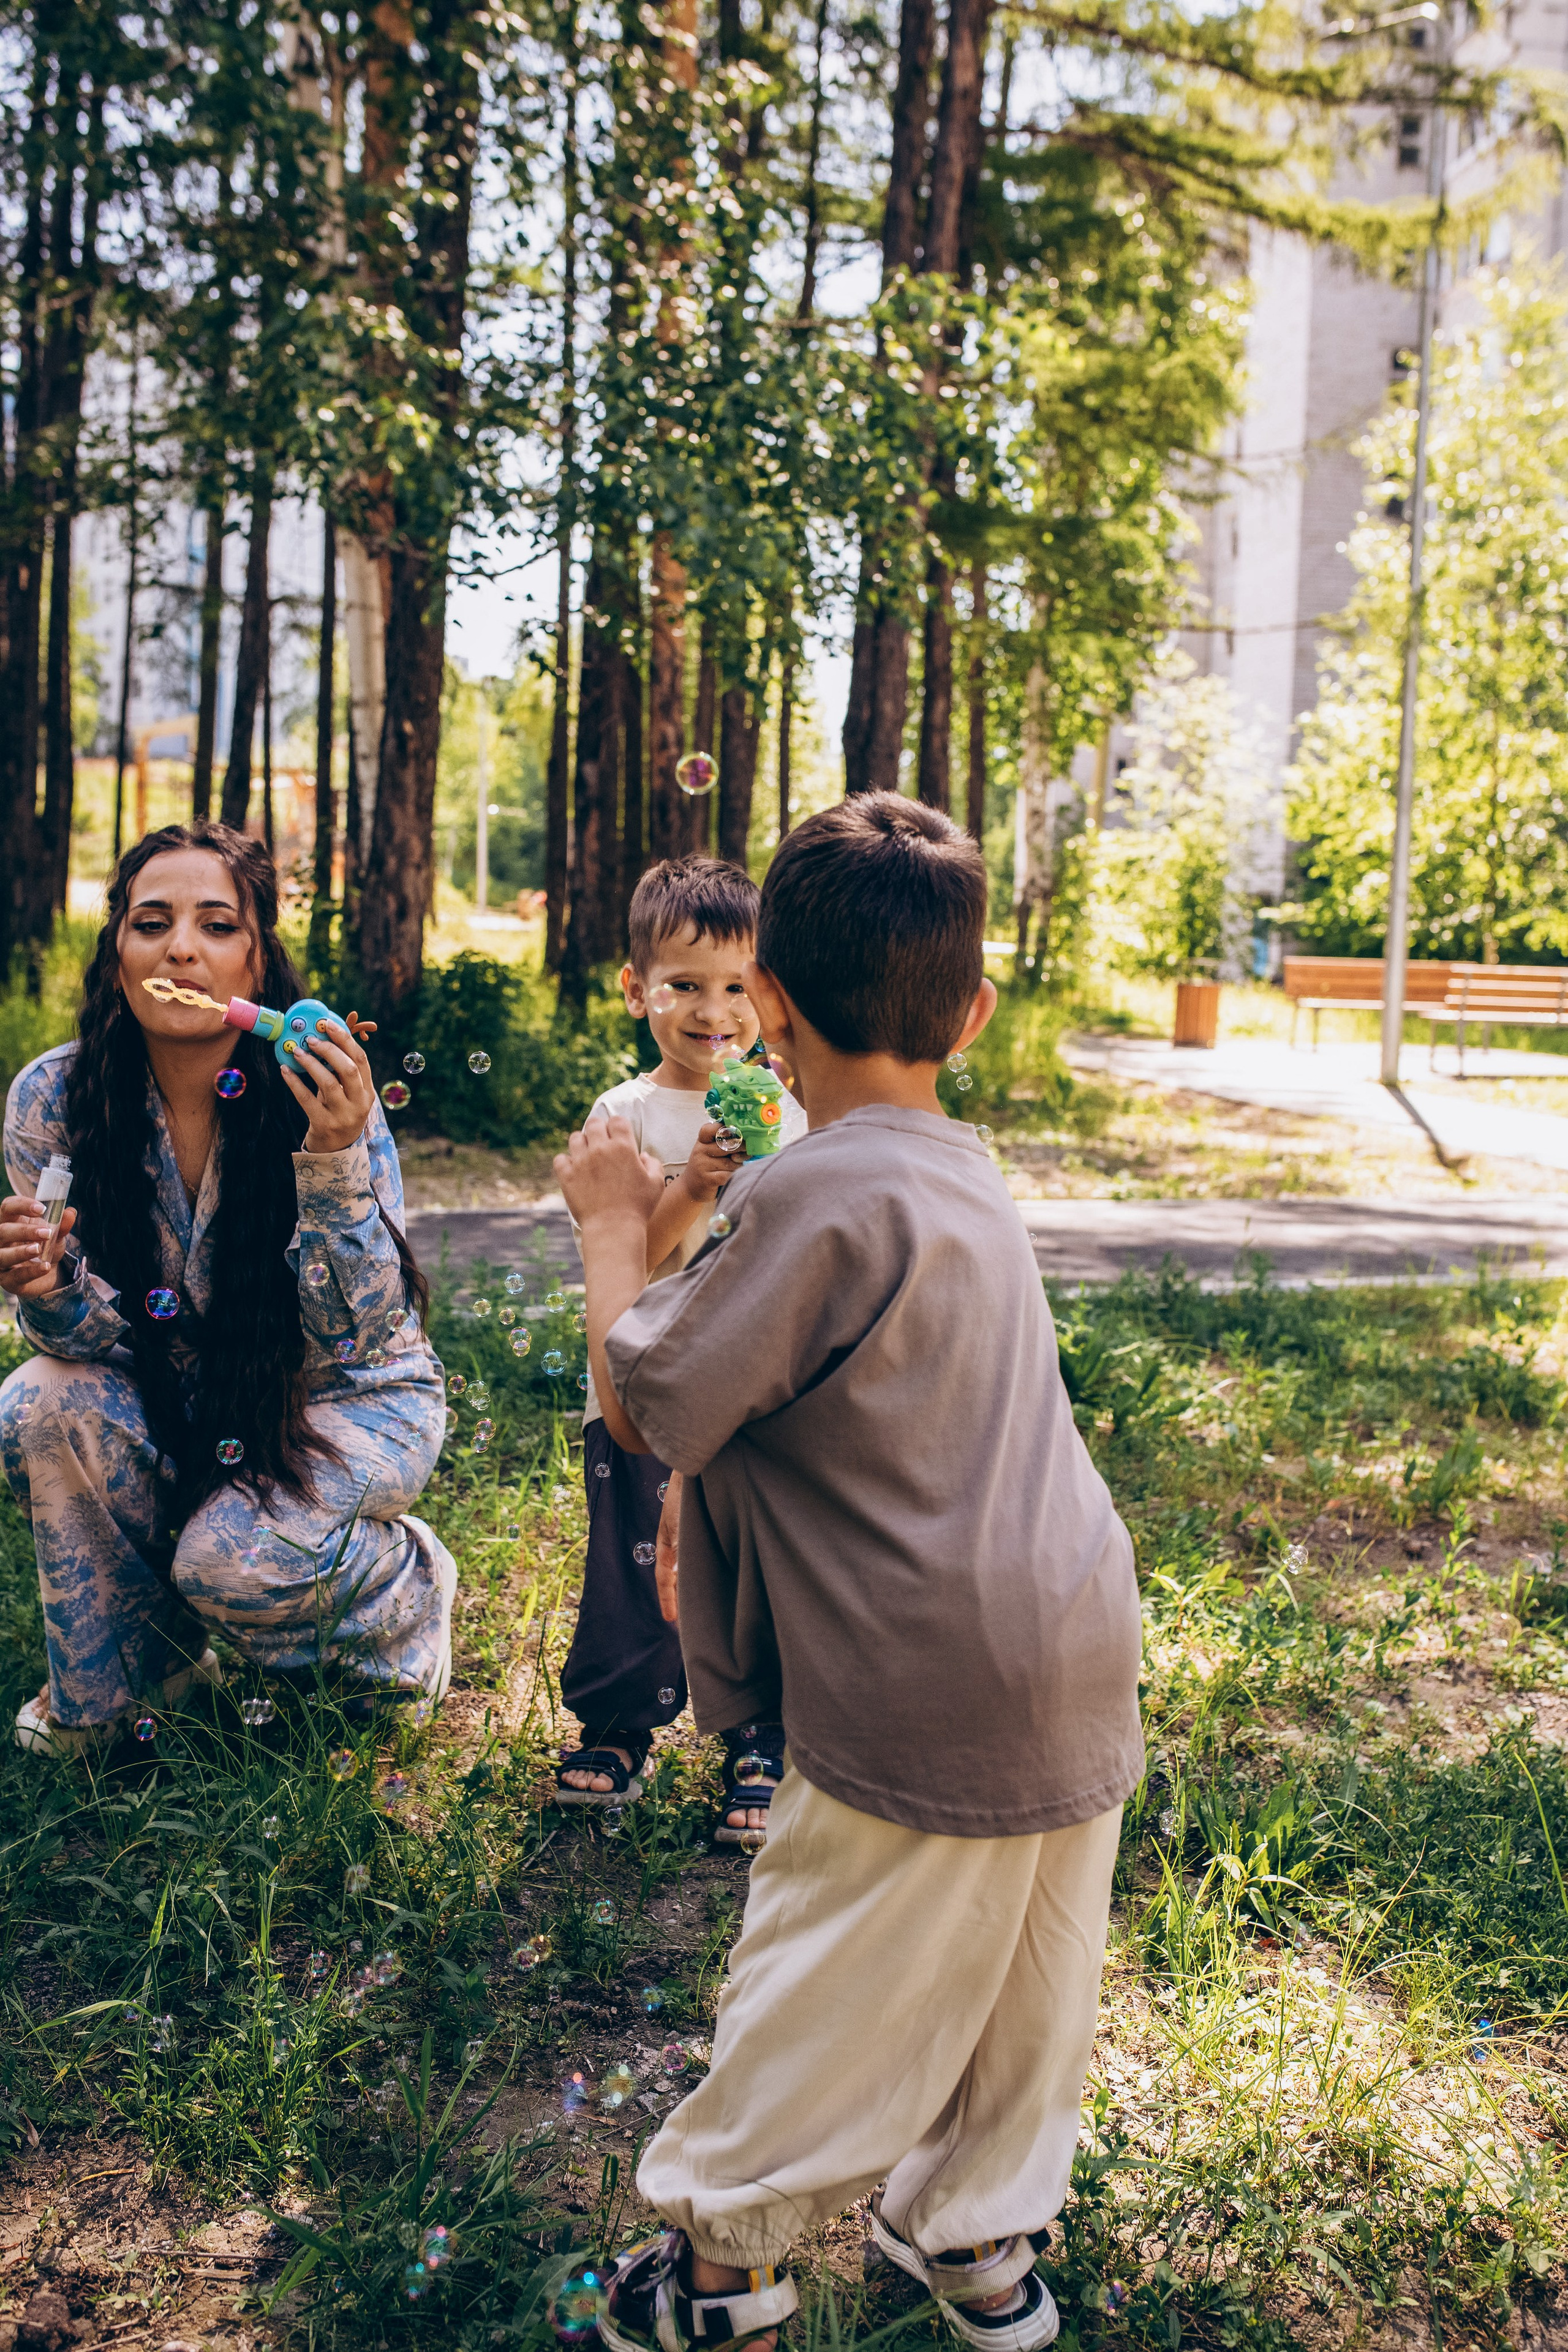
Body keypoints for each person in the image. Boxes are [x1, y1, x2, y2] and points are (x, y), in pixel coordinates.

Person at [554, 794, 1144, 2352]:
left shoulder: (809, 1186)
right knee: (1032, 1979)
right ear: (974, 1012)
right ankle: (978, 2234)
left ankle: (724, 2263)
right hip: (1075, 1639)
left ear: (775, 1013)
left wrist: (616, 1228)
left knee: (820, 1969)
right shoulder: (962, 1167)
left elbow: (653, 1396)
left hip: (919, 1674)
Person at [0, 823, 454, 1755]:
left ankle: (406, 1595)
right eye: (151, 922)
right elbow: (92, 1343)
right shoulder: (55, 1101)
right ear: (118, 956)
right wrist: (46, 1289)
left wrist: (332, 1160)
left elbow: (363, 1332)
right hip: (173, 1395)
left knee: (230, 1561)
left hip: (344, 1393)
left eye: (216, 924)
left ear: (255, 958)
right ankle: (139, 1673)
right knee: (35, 1401)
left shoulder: (322, 1088)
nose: (181, 948)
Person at [556, 855, 807, 1844]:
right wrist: (694, 1183)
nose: (716, 1012)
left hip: (753, 1389)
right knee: (629, 1559)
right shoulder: (621, 1117)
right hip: (642, 1382)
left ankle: (762, 1732)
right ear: (635, 992)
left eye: (739, 986)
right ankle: (619, 1722)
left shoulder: (788, 1109)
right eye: (686, 986)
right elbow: (633, 1248)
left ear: (770, 994)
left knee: (757, 1558)